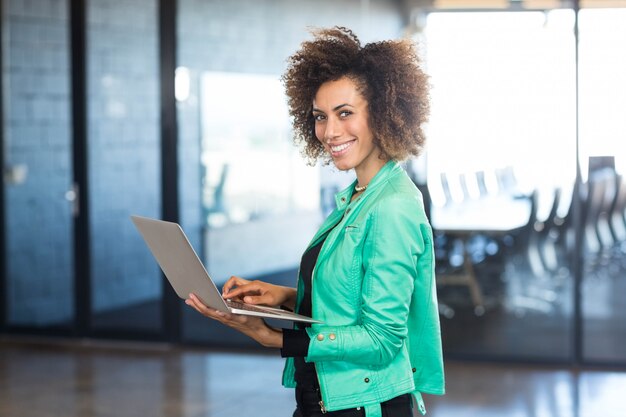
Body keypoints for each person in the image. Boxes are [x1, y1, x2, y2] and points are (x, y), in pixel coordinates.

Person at [185, 26, 445, 417]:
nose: (329, 131)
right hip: (324, 397)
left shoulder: (393, 206)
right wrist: (281, 297)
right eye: (320, 117)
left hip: (363, 405)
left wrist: (277, 340)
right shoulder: (357, 198)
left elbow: (382, 339)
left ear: (384, 112)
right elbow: (353, 295)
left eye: (345, 114)